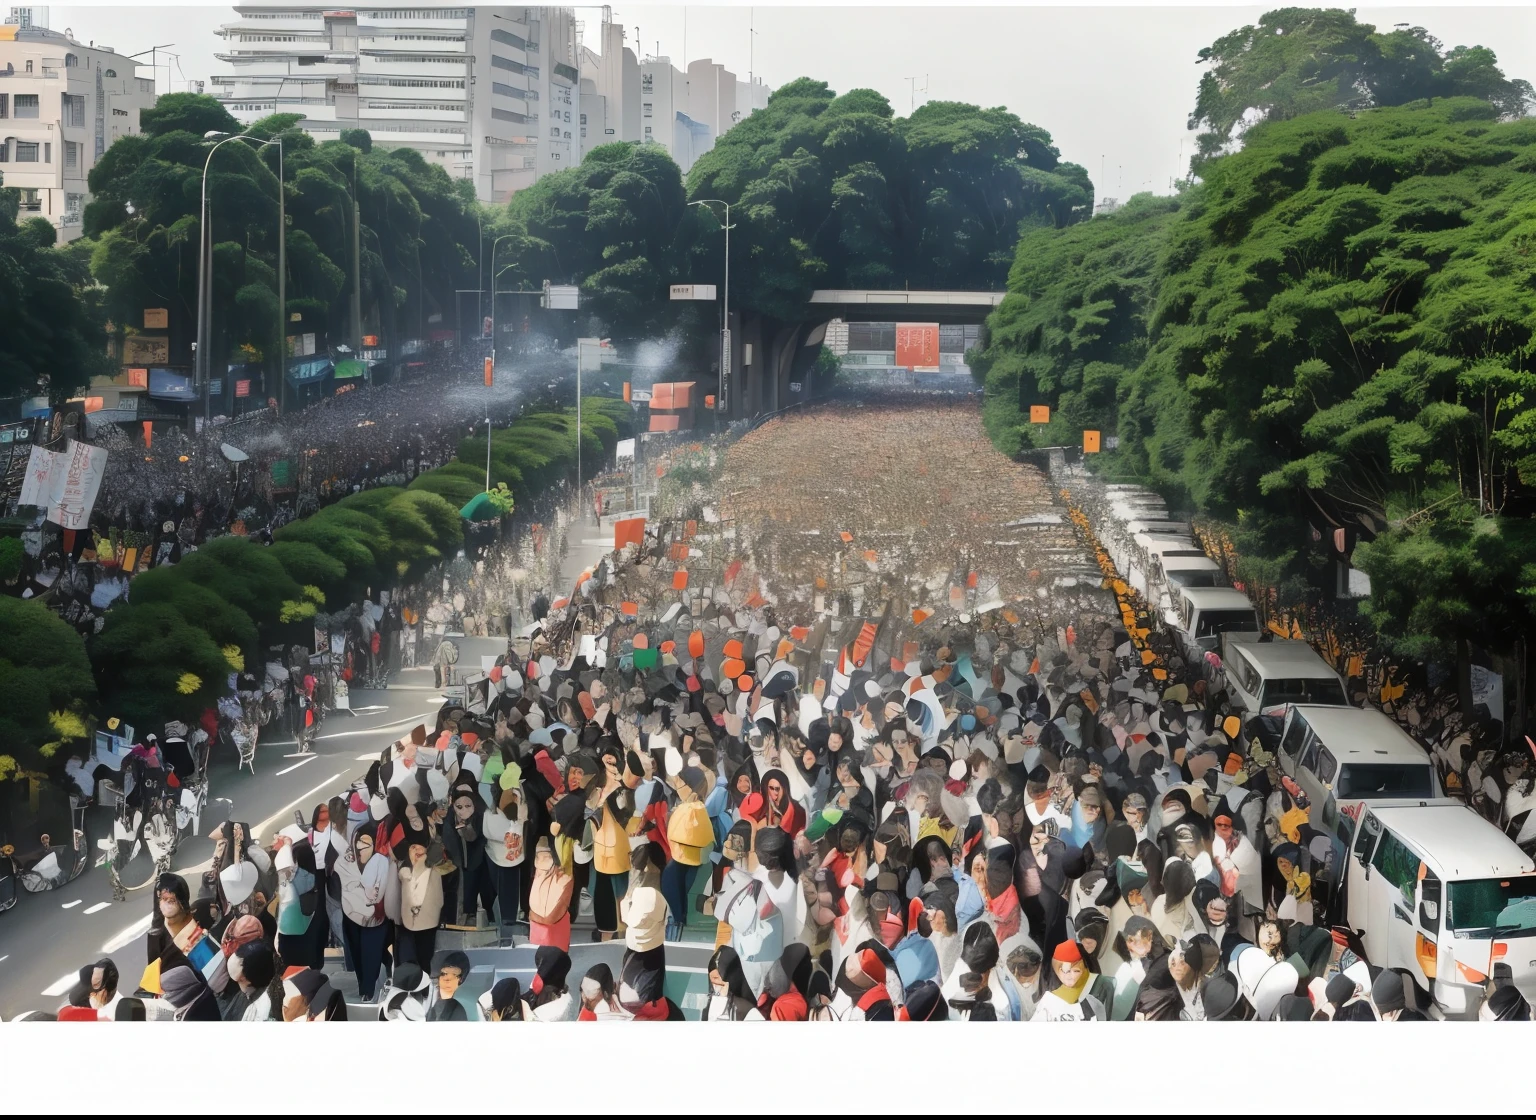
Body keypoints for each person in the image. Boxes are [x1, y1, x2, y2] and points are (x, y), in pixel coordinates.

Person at [338, 825, 392, 1002]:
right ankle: (364, 984)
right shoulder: (347, 860)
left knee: (371, 952)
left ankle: (367, 989)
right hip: (351, 913)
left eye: (366, 842)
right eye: (359, 841)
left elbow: (378, 892)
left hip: (374, 916)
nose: (361, 846)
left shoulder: (380, 862)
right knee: (357, 952)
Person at [396, 840, 448, 968]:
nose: (416, 851)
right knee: (408, 961)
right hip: (406, 924)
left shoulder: (434, 872)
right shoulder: (404, 871)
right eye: (413, 847)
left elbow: (439, 901)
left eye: (420, 848)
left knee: (424, 960)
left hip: (427, 924)